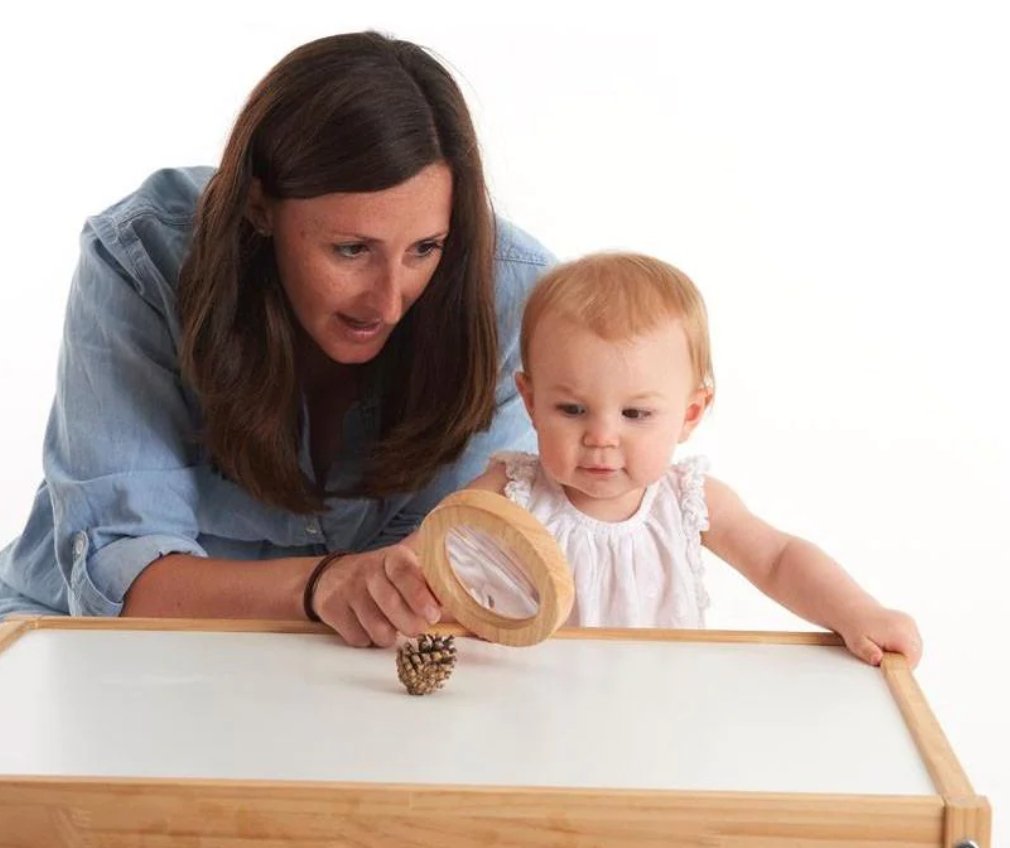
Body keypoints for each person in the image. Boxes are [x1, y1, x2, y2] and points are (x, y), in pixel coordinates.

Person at [0, 32, 555, 649]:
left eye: (425, 249)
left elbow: (472, 564)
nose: (389, 300)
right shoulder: (143, 260)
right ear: (260, 207)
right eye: (351, 249)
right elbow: (118, 578)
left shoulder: (519, 300)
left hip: (351, 669)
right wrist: (323, 586)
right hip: (83, 643)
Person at [465, 253, 923, 667]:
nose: (601, 437)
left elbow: (778, 559)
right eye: (572, 410)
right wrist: (407, 576)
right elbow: (433, 553)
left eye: (635, 414)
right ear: (531, 402)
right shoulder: (510, 493)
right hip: (533, 717)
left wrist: (857, 611)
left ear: (690, 414)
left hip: (663, 713)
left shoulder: (686, 500)